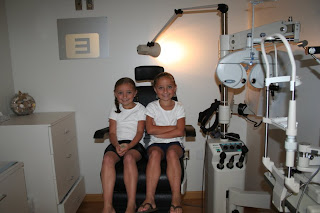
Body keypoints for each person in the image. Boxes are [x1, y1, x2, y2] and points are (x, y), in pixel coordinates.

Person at [137, 72, 185, 213]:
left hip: (175, 144)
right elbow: (150, 130)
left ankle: (176, 199)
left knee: (171, 153)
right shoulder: (151, 107)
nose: (165, 91)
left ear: (175, 88)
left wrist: (162, 130)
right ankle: (149, 199)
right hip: (155, 144)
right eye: (161, 88)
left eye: (169, 87)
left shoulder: (179, 107)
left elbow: (180, 132)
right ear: (155, 90)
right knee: (155, 154)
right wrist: (173, 127)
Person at [101, 77, 146, 213]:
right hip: (117, 143)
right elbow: (112, 132)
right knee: (108, 159)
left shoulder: (140, 109)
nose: (124, 96)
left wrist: (129, 146)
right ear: (115, 94)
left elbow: (139, 132)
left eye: (128, 92)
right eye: (120, 93)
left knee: (128, 158)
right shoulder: (114, 108)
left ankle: (131, 204)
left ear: (135, 93)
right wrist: (116, 146)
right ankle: (108, 206)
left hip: (135, 144)